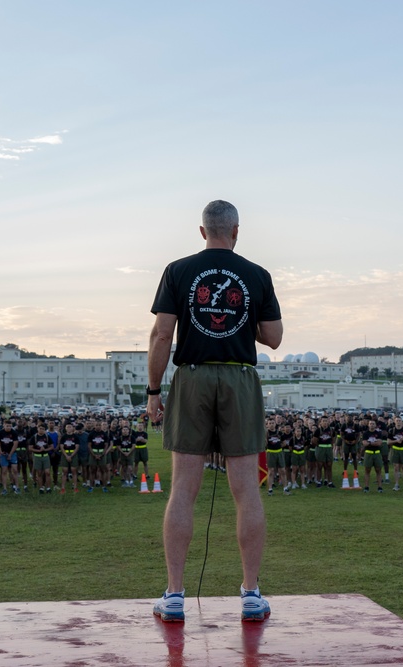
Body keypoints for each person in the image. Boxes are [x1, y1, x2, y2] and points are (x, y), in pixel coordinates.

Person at [148, 200, 282, 623]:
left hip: (192, 376)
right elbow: (274, 338)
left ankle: (174, 595)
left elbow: (161, 333)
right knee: (246, 489)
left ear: (202, 232)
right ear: (236, 232)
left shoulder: (178, 270)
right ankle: (251, 593)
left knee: (183, 487)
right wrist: (243, 318)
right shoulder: (257, 274)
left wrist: (153, 390)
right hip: (240, 377)